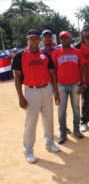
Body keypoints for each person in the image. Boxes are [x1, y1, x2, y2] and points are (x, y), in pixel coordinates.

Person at [11, 29, 61, 163]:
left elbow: (52, 74)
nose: (33, 41)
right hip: (31, 91)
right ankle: (28, 151)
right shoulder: (20, 55)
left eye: (36, 38)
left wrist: (56, 92)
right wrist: (20, 97)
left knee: (49, 119)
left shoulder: (45, 55)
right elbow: (17, 76)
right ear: (27, 40)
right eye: (31, 38)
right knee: (31, 123)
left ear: (39, 40)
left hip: (46, 89)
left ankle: (50, 144)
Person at [52, 31, 87, 144]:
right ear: (60, 40)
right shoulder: (56, 53)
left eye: (67, 38)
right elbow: (53, 72)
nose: (65, 40)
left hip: (75, 84)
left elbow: (83, 68)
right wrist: (55, 89)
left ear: (70, 39)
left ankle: (76, 129)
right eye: (62, 38)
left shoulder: (77, 52)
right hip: (61, 85)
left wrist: (83, 84)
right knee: (61, 110)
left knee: (76, 108)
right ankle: (63, 132)